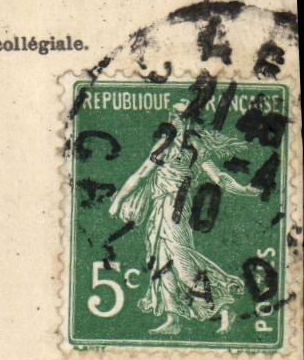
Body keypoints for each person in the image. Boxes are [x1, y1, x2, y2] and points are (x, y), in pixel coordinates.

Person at [108, 98, 263, 335]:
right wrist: (118, 200)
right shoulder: (163, 146)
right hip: (159, 210)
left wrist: (242, 190)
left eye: (182, 116)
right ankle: (173, 320)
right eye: (175, 115)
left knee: (184, 264)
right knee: (161, 264)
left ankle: (223, 307)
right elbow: (140, 175)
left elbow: (218, 176)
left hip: (178, 211)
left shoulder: (196, 148)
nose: (178, 120)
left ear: (190, 120)